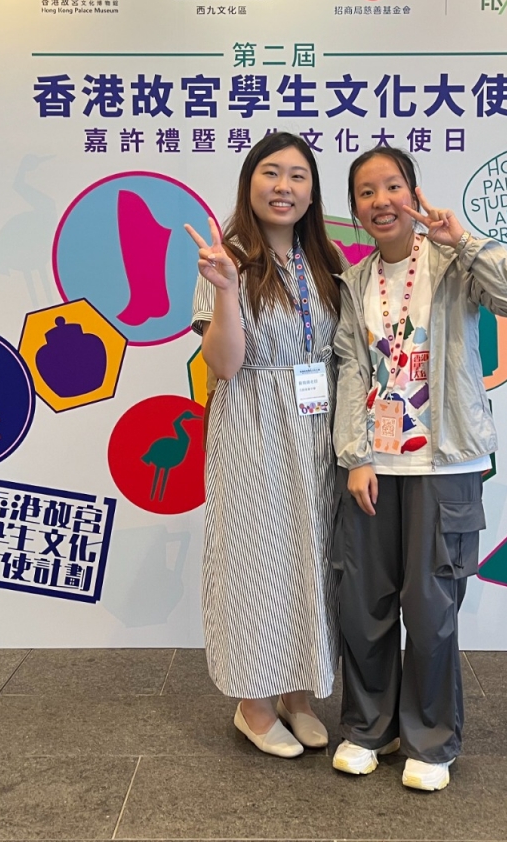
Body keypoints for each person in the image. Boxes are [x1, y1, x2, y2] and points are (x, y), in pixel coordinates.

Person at [330, 147, 507, 791]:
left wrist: (465, 242)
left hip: (445, 464)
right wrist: (355, 456)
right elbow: (351, 370)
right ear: (355, 208)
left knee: (430, 607)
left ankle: (430, 740)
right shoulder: (355, 282)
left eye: (393, 186)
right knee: (364, 603)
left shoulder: (452, 262)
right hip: (375, 466)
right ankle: (370, 728)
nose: (381, 201)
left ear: (415, 193)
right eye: (366, 192)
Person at [186, 131, 347, 758]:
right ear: (249, 182)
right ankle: (252, 704)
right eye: (271, 173)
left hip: (315, 431)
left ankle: (297, 695)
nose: (284, 186)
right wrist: (227, 289)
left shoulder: (326, 260)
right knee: (253, 565)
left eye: (298, 175)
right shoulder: (225, 258)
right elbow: (225, 365)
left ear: (312, 191)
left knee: (312, 561)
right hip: (252, 430)